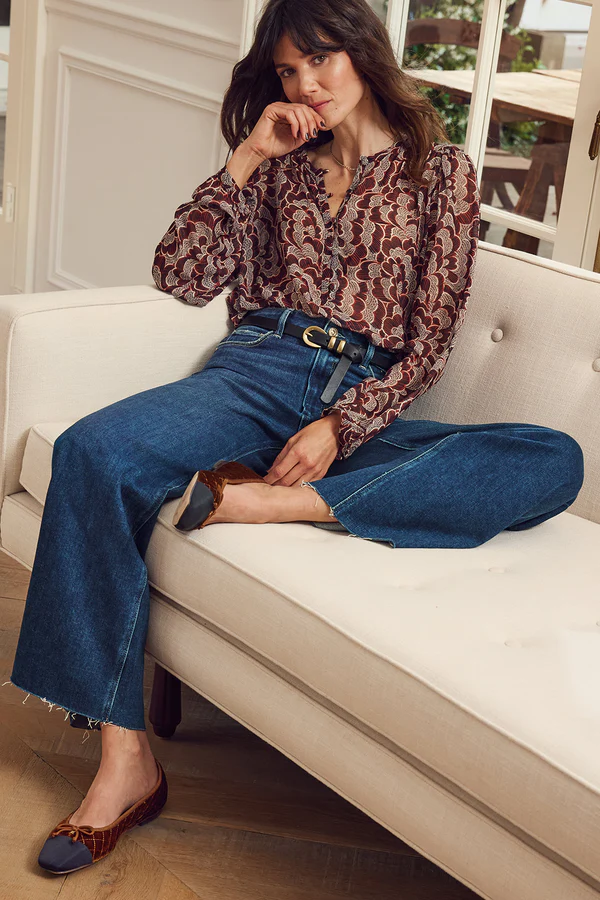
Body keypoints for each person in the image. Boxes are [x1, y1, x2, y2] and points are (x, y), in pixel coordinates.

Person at [5, 0, 583, 875]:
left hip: (366, 400)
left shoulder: (443, 173)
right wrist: (246, 158)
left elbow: (427, 345)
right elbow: (180, 274)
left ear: (363, 54)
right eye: (286, 70)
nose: (305, 85)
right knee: (93, 450)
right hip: (258, 373)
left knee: (554, 459)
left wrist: (338, 425)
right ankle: (124, 765)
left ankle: (271, 502)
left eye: (320, 61)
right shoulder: (280, 162)